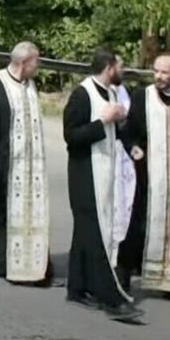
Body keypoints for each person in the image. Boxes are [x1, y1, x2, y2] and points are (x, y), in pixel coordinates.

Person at [62, 47, 143, 323]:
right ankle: (111, 298)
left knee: (86, 235)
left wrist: (128, 142)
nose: (122, 71)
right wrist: (103, 121)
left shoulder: (109, 93)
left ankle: (77, 287)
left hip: (104, 175)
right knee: (96, 237)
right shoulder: (82, 94)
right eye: (120, 66)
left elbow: (115, 131)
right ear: (109, 67)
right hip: (85, 176)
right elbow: (71, 136)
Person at [0, 42, 53, 285]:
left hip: (25, 167)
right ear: (24, 63)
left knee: (14, 217)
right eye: (36, 62)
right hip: (0, 164)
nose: (38, 66)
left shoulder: (28, 85)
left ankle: (17, 261)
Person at [120, 53, 170, 305]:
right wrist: (133, 147)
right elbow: (128, 131)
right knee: (141, 224)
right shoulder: (143, 96)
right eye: (156, 72)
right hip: (149, 173)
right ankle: (129, 277)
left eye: (165, 72)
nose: (160, 77)